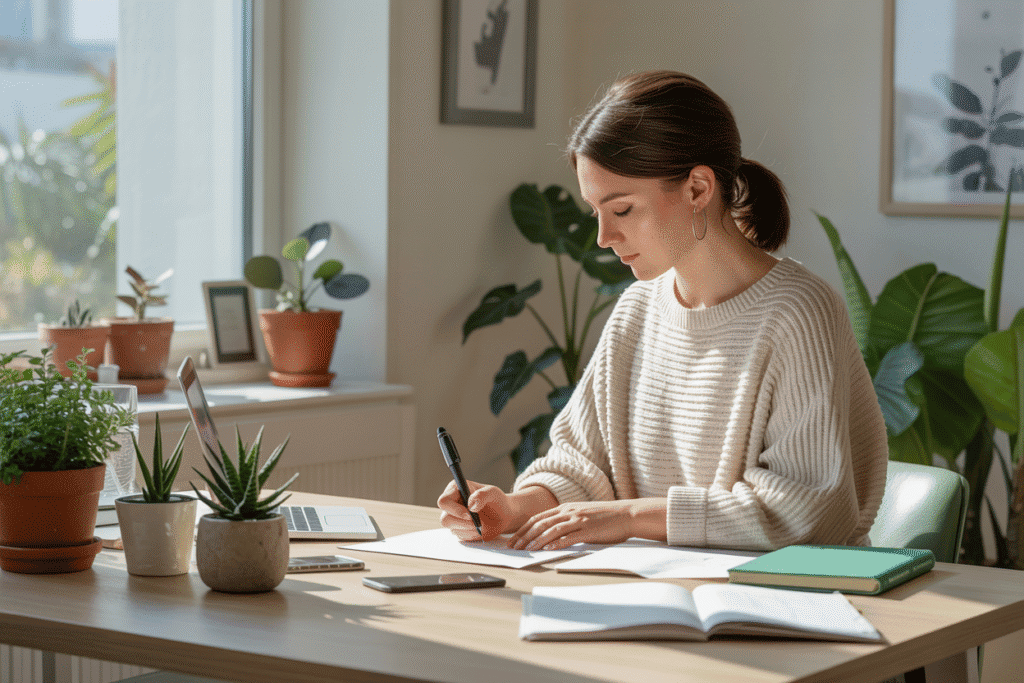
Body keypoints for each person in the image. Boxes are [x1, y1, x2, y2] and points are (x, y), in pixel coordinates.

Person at [438, 70, 888, 552]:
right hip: (651, 596)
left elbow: (808, 512)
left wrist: (631, 516)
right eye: (597, 213)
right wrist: (514, 506)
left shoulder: (798, 313)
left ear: (698, 188)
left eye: (623, 210)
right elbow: (579, 467)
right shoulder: (637, 310)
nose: (604, 238)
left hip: (779, 604)